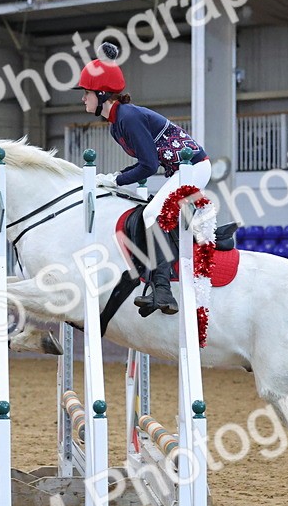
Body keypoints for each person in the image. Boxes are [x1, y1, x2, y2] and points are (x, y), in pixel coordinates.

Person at [78, 42, 236, 316]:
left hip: (194, 167)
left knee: (152, 213)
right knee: (151, 208)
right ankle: (206, 235)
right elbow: (145, 162)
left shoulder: (127, 117)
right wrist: (116, 178)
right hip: (181, 169)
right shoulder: (117, 124)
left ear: (102, 94)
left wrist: (116, 180)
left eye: (86, 93)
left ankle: (162, 290)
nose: (83, 99)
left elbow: (149, 166)